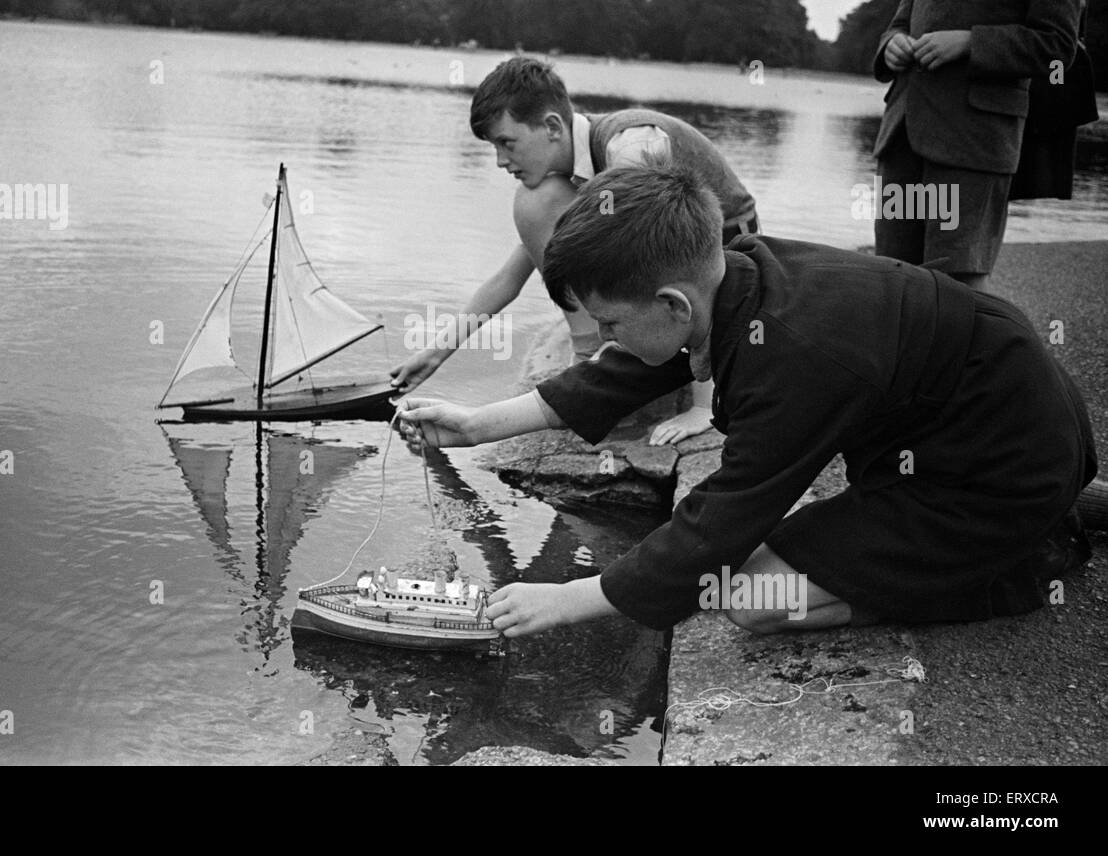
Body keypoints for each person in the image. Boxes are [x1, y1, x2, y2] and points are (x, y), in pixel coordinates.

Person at [398, 164, 1096, 638]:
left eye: (608, 322)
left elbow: (721, 521)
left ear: (672, 303)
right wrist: (475, 424)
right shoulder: (737, 279)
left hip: (994, 470)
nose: (602, 339)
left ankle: (1027, 558)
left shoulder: (792, 356)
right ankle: (1057, 500)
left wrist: (571, 598)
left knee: (749, 601)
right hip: (1017, 423)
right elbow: (621, 375)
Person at [389, 57, 759, 446]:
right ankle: (593, 348)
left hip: (725, 251)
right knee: (535, 202)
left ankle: (688, 383)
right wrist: (435, 353)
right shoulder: (569, 176)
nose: (500, 160)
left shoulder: (630, 145)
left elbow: (680, 256)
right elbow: (509, 278)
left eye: (506, 143)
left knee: (571, 212)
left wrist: (706, 399)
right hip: (667, 252)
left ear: (551, 126)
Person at [872, 0, 1081, 294]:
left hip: (973, 142)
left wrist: (972, 42)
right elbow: (898, 25)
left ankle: (979, 357)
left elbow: (1057, 48)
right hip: (902, 135)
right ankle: (908, 357)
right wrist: (890, 46)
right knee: (893, 271)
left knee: (958, 276)